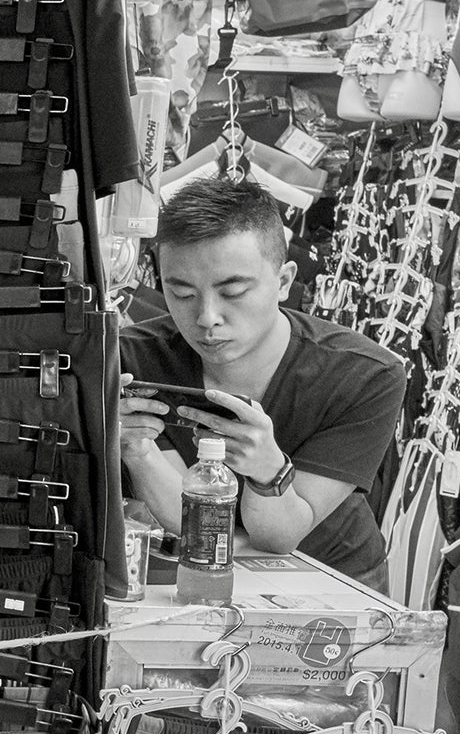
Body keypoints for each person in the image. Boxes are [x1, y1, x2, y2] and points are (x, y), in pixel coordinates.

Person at [119, 180, 407, 588]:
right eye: (181, 293)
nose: (207, 317)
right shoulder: (131, 359)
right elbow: (186, 522)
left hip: (330, 578)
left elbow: (279, 536)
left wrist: (268, 471)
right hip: (193, 567)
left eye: (233, 291)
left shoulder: (365, 375)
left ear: (285, 280)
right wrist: (135, 448)